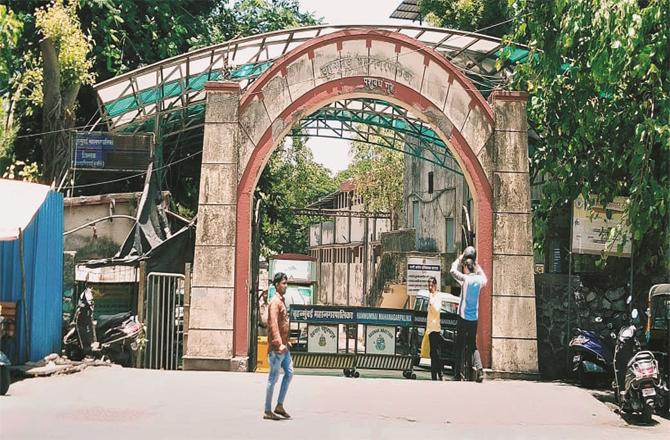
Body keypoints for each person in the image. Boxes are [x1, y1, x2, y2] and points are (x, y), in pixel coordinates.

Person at [450, 250, 487, 382]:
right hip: (474, 319)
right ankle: (480, 370)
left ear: (466, 267)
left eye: (464, 267)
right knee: (473, 346)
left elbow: (452, 271)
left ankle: (457, 375)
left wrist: (459, 259)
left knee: (459, 346)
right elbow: (485, 278)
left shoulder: (465, 280)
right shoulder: (479, 280)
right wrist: (477, 265)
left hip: (463, 317)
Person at [264, 272, 293, 421]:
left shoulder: (281, 301)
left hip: (284, 346)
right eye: (283, 283)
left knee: (289, 372)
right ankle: (268, 410)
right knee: (273, 378)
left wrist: (285, 342)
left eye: (286, 283)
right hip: (277, 348)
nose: (285, 286)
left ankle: (279, 405)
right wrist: (278, 342)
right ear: (276, 285)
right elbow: (273, 324)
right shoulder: (275, 302)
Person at [426, 276, 445, 381]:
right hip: (430, 329)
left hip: (435, 328)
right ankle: (434, 375)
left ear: (435, 285)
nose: (430, 287)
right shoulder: (430, 296)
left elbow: (437, 309)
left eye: (432, 285)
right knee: (432, 353)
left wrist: (431, 301)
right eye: (428, 285)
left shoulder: (437, 296)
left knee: (435, 353)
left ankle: (440, 372)